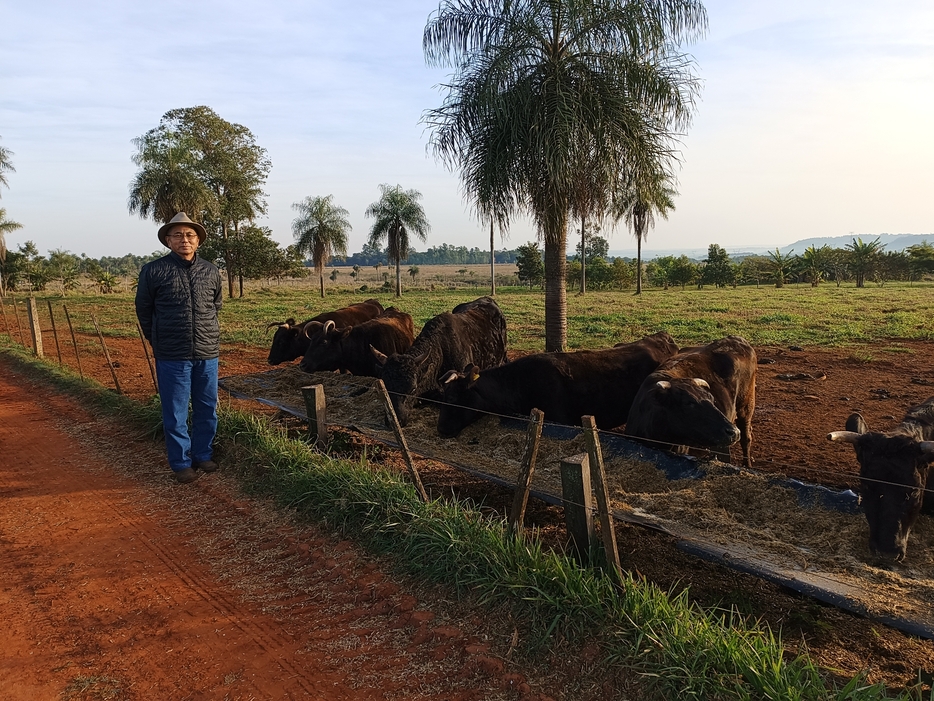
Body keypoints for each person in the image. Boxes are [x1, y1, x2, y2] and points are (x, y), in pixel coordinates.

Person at [135, 212, 223, 484]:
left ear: (198, 241)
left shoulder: (210, 270)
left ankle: (202, 454)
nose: (184, 239)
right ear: (168, 241)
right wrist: (158, 338)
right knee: (175, 411)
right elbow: (144, 310)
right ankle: (181, 462)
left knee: (207, 407)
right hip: (172, 354)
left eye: (189, 235)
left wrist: (208, 333)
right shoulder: (154, 270)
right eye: (177, 235)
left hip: (207, 352)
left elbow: (216, 306)